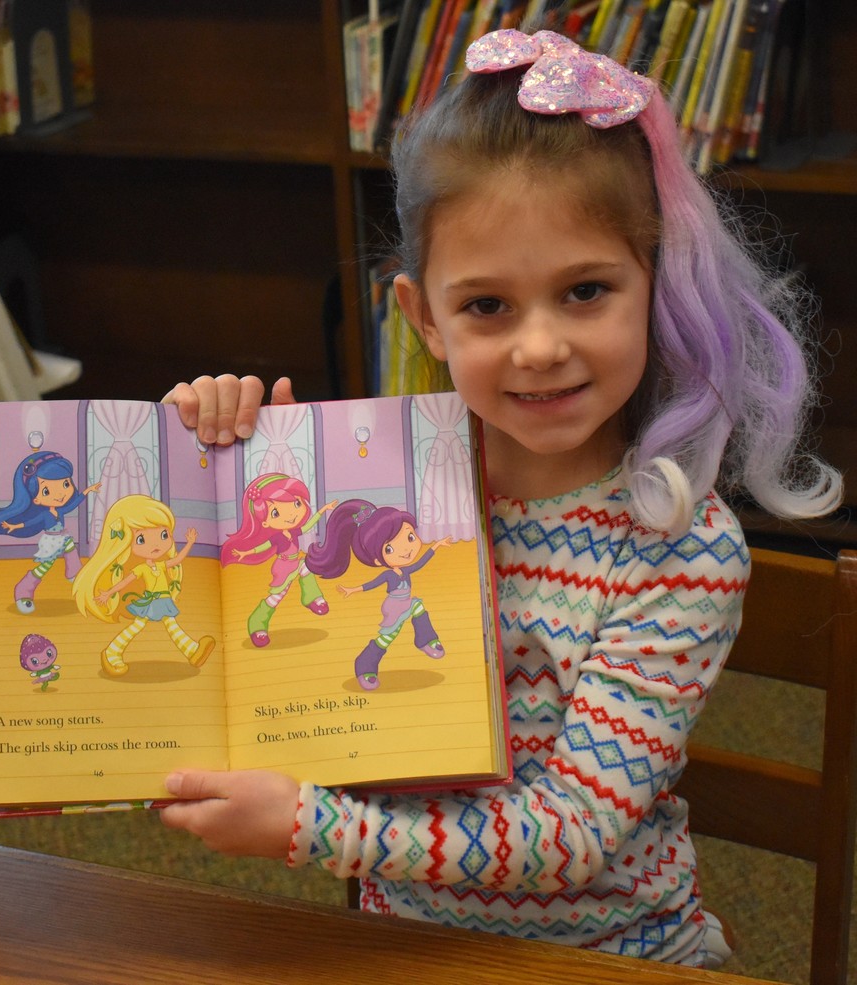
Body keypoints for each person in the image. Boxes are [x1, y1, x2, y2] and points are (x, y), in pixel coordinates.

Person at [155, 29, 842, 969]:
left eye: (586, 290)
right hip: (404, 948)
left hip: (613, 957)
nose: (540, 347)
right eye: (487, 306)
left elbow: (569, 835)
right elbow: (280, 671)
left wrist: (309, 826)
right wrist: (205, 455)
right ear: (424, 317)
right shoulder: (374, 488)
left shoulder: (680, 543)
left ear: (656, 284)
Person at [306, 499, 452, 690]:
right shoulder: (388, 575)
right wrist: (353, 589)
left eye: (410, 537)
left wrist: (436, 546)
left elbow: (420, 562)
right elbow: (371, 585)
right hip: (394, 608)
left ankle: (426, 640)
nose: (407, 549)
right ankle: (364, 665)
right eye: (389, 548)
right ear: (377, 560)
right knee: (386, 638)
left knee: (418, 607)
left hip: (406, 602)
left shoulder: (405, 570)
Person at [72, 494, 215, 675]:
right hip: (152, 601)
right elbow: (125, 582)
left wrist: (190, 543)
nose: (156, 544)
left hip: (162, 600)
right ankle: (111, 652)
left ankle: (192, 650)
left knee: (168, 624)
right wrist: (108, 593)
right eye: (141, 539)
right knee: (140, 626)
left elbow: (178, 559)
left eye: (163, 535)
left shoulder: (160, 565)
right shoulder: (141, 568)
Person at [221, 472, 336, 647]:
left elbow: (308, 525)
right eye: (275, 513)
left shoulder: (294, 530)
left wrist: (322, 510)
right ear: (265, 523)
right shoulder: (277, 537)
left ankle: (312, 598)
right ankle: (257, 623)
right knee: (276, 597)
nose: (291, 515)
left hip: (295, 562)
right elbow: (263, 547)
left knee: (307, 568)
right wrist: (246, 553)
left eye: (296, 504)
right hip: (283, 567)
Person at [0, 446, 101, 613]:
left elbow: (74, 503)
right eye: (47, 491)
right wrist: (14, 526)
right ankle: (23, 590)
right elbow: (30, 523)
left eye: (65, 484)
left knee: (70, 545)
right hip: (51, 541)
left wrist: (87, 491)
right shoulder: (44, 514)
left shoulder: (60, 509)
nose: (60, 494)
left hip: (62, 538)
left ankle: (74, 573)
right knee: (44, 567)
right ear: (35, 498)